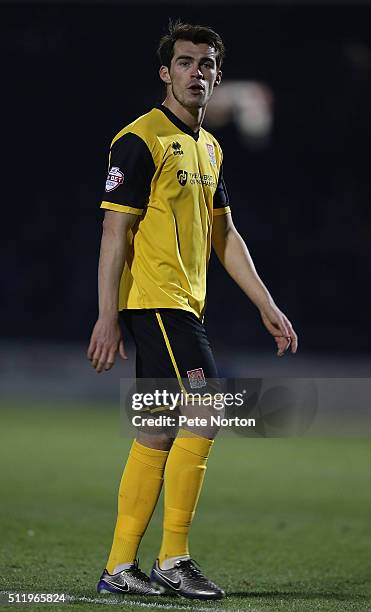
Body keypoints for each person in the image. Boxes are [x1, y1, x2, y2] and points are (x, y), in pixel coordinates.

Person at [87, 20, 298, 601]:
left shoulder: (209, 147)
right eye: (185, 62)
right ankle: (173, 559)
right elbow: (114, 231)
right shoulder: (140, 139)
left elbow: (224, 235)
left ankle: (119, 569)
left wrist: (267, 304)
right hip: (157, 302)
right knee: (207, 410)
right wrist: (107, 316)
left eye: (206, 64)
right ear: (165, 73)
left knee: (157, 430)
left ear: (217, 75)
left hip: (183, 307)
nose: (196, 72)